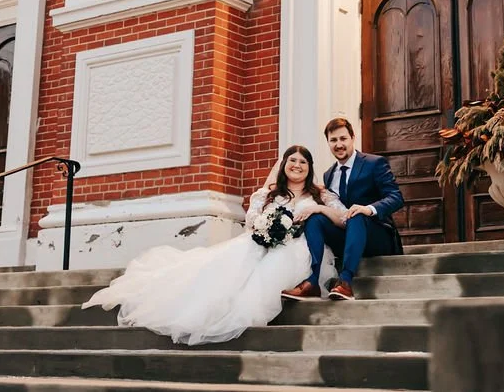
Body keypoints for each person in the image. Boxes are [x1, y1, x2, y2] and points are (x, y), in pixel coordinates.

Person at [81, 145, 347, 345]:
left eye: (303, 161)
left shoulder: (320, 194)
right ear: (284, 165)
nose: (297, 165)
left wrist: (317, 210)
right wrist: (267, 227)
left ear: (310, 166)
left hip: (298, 246)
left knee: (275, 269)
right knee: (219, 272)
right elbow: (252, 221)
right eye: (292, 160)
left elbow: (342, 218)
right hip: (261, 242)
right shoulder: (266, 194)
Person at [282, 117, 404, 302]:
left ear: (352, 137)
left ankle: (345, 282)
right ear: (328, 143)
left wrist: (368, 209)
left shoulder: (374, 163)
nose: (338, 144)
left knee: (355, 215)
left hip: (377, 235)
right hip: (347, 235)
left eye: (342, 138)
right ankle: (312, 282)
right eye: (333, 140)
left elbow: (396, 198)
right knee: (315, 217)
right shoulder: (329, 174)